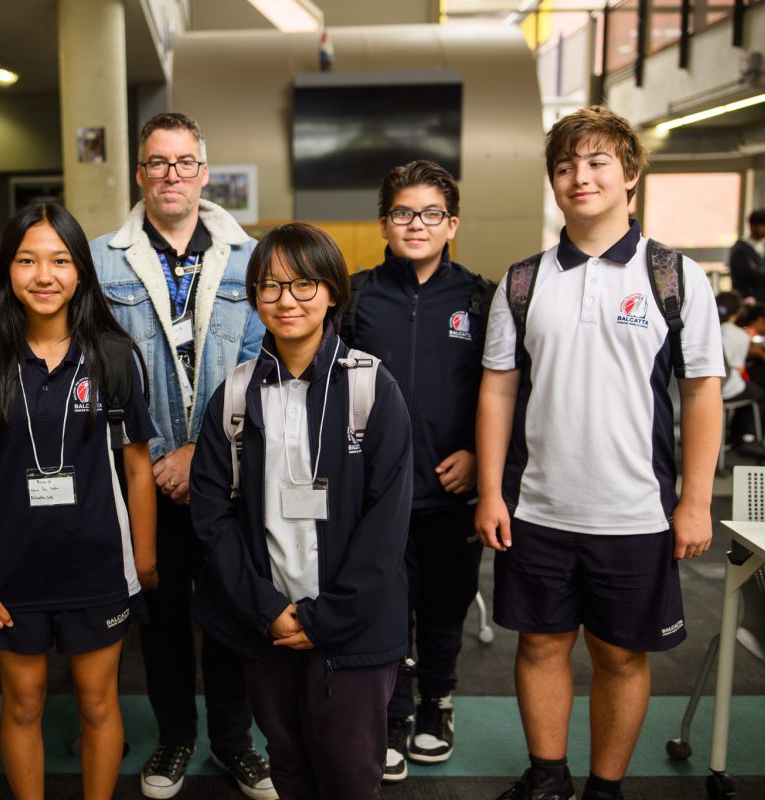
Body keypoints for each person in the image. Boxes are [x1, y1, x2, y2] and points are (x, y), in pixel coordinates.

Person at [475, 106, 725, 800]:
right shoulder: (523, 281)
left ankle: (605, 788)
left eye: (596, 163)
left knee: (619, 656)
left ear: (630, 174)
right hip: (538, 509)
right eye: (564, 166)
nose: (579, 177)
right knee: (540, 645)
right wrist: (492, 493)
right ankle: (547, 777)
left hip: (636, 512)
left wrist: (696, 501)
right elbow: (497, 390)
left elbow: (702, 393)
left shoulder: (675, 277)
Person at [0, 203, 157, 800]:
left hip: (98, 569)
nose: (44, 275)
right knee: (23, 704)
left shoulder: (112, 356)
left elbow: (138, 467)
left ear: (80, 271)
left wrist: (143, 560)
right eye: (27, 261)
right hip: (10, 573)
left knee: (98, 703)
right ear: (6, 271)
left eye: (59, 260)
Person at [190, 222, 413, 800]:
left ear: (333, 291)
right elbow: (212, 516)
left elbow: (387, 523)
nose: (286, 300)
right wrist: (267, 609)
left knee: (349, 777)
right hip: (267, 625)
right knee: (286, 768)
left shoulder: (371, 387)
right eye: (270, 286)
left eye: (304, 284)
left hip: (352, 630)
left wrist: (326, 620)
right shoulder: (234, 393)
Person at [90, 112, 272, 799]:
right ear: (141, 173)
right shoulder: (102, 261)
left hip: (228, 471)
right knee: (161, 616)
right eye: (158, 162)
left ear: (204, 172)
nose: (172, 174)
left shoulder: (251, 258)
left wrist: (201, 451)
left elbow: (261, 361)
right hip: (141, 474)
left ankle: (233, 742)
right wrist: (160, 458)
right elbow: (99, 368)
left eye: (184, 162)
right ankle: (174, 738)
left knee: (231, 611)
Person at [339, 160, 486, 781]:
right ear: (383, 223)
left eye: (431, 213)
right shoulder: (355, 295)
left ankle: (437, 702)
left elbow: (502, 390)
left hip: (453, 490)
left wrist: (479, 456)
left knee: (446, 606)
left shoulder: (481, 297)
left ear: (452, 223)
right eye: (403, 212)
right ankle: (394, 711)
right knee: (387, 607)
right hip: (377, 492)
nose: (416, 224)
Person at [718, 292, 765, 449]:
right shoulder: (741, 335)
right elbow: (739, 370)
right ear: (738, 311)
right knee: (757, 392)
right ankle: (745, 437)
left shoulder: (703, 330)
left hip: (701, 388)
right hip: (726, 387)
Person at [728, 209, 765, 307]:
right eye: (764, 225)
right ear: (753, 225)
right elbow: (751, 273)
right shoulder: (740, 249)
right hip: (749, 302)